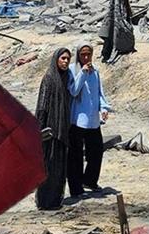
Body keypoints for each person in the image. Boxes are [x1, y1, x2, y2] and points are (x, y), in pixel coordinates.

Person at [67, 42, 110, 198]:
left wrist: (104, 108)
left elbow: (99, 93)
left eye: (88, 54)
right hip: (78, 120)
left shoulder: (95, 71)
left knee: (96, 152)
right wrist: (83, 73)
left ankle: (90, 180)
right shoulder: (73, 70)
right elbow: (73, 91)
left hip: (92, 119)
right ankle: (77, 187)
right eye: (83, 55)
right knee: (76, 155)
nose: (86, 58)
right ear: (78, 55)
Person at [35, 48, 72, 210]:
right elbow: (42, 106)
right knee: (48, 166)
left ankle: (55, 200)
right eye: (63, 58)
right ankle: (44, 201)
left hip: (61, 130)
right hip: (50, 130)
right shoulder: (49, 78)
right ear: (56, 59)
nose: (65, 62)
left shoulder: (65, 78)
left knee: (59, 167)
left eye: (68, 59)